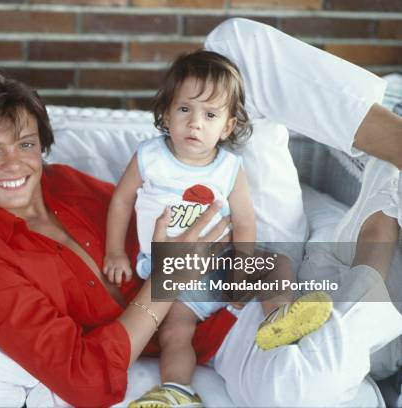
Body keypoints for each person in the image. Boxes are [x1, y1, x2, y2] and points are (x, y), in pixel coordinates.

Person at [0, 18, 402, 407]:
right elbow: (83, 379)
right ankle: (375, 250)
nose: (14, 165)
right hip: (212, 323)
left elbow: (158, 201)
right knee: (300, 390)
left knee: (233, 45)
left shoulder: (62, 181)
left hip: (247, 237)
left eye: (25, 145)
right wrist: (171, 277)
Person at [103, 50, 332, 407]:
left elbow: (244, 220)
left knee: (278, 265)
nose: (195, 123)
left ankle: (280, 317)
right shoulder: (150, 157)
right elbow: (120, 201)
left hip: (222, 262)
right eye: (184, 110)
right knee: (175, 332)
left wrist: (242, 263)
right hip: (172, 272)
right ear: (165, 112)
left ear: (227, 126)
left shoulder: (228, 167)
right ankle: (177, 391)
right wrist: (115, 251)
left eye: (209, 115)